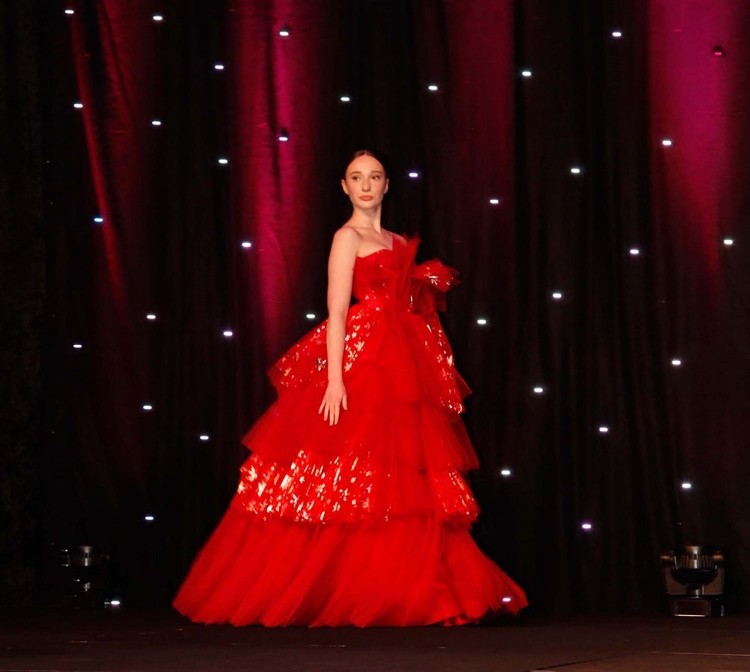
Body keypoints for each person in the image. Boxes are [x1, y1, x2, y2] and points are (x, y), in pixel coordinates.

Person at [173, 150, 528, 626]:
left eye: (374, 177)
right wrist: (336, 379)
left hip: (404, 358)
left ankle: (407, 586)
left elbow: (412, 305)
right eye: (356, 178)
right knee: (344, 470)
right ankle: (344, 585)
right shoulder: (346, 238)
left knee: (403, 476)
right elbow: (336, 311)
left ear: (386, 185)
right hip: (364, 356)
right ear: (344, 186)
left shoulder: (397, 239)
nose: (366, 185)